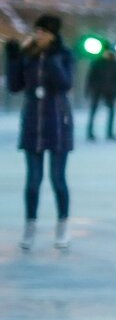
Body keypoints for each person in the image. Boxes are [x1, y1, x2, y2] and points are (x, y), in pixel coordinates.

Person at [6, 14, 75, 250]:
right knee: (33, 181)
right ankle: (30, 225)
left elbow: (65, 83)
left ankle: (63, 224)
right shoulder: (29, 56)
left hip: (58, 123)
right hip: (33, 124)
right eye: (37, 31)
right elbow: (15, 86)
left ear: (53, 35)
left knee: (58, 179)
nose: (39, 36)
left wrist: (52, 58)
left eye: (44, 32)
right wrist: (13, 57)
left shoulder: (64, 55)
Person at [85, 47, 116, 142]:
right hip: (97, 91)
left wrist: (115, 90)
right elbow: (90, 78)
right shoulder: (97, 62)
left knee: (111, 112)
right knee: (93, 112)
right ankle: (90, 132)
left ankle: (109, 133)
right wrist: (89, 90)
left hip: (110, 91)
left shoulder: (114, 63)